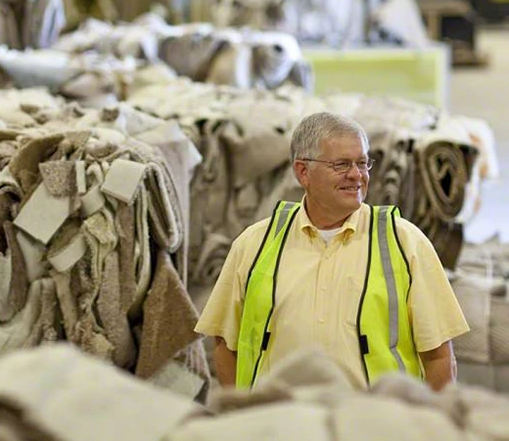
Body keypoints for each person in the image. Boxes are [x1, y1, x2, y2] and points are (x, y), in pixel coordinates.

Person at [195, 112, 470, 391]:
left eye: (363, 163)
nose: (356, 175)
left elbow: (439, 356)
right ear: (303, 171)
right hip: (280, 426)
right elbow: (225, 347)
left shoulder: (405, 242)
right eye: (341, 165)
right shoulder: (253, 244)